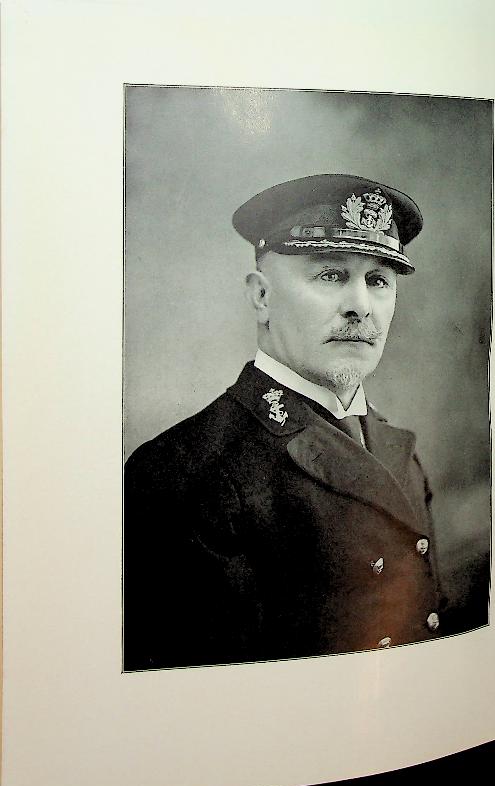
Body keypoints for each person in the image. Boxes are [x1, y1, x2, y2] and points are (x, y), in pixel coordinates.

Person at [123, 174, 445, 670]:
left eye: (378, 281)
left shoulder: (397, 452)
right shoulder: (184, 473)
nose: (360, 306)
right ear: (262, 297)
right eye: (331, 275)